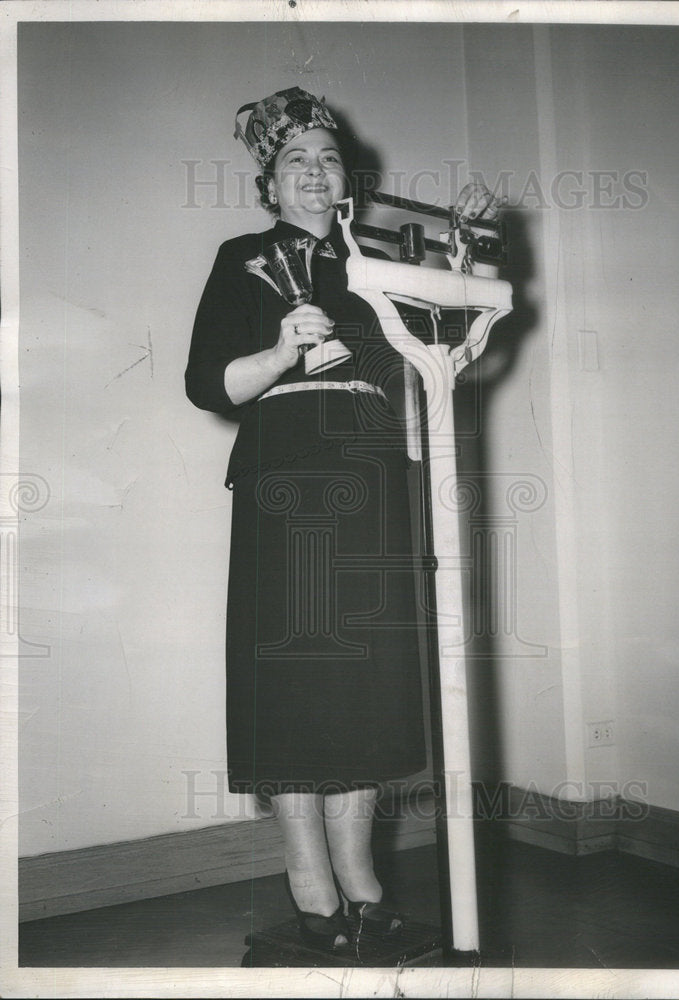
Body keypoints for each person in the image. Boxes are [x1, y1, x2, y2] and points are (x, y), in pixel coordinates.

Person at [185, 87, 500, 954]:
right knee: (294, 677)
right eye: (297, 160)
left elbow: (454, 335)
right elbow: (210, 385)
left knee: (364, 675)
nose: (316, 173)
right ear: (270, 182)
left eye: (328, 158)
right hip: (286, 478)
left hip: (368, 476)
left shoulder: (378, 265)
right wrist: (285, 348)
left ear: (344, 179)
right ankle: (308, 882)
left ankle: (360, 880)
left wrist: (469, 247)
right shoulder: (241, 258)